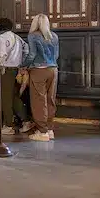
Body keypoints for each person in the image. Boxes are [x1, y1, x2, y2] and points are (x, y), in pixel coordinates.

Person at [22, 14, 59, 142]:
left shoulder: (33, 36)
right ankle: (49, 130)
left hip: (39, 70)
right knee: (50, 99)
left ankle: (42, 132)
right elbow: (56, 55)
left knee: (39, 101)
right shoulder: (54, 36)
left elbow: (32, 55)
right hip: (53, 69)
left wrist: (23, 65)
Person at [0, 17, 33, 135]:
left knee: (5, 98)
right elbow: (27, 50)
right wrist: (22, 65)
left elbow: (1, 55)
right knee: (14, 97)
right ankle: (26, 121)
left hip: (5, 70)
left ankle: (8, 126)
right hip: (17, 70)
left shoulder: (2, 37)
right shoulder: (17, 37)